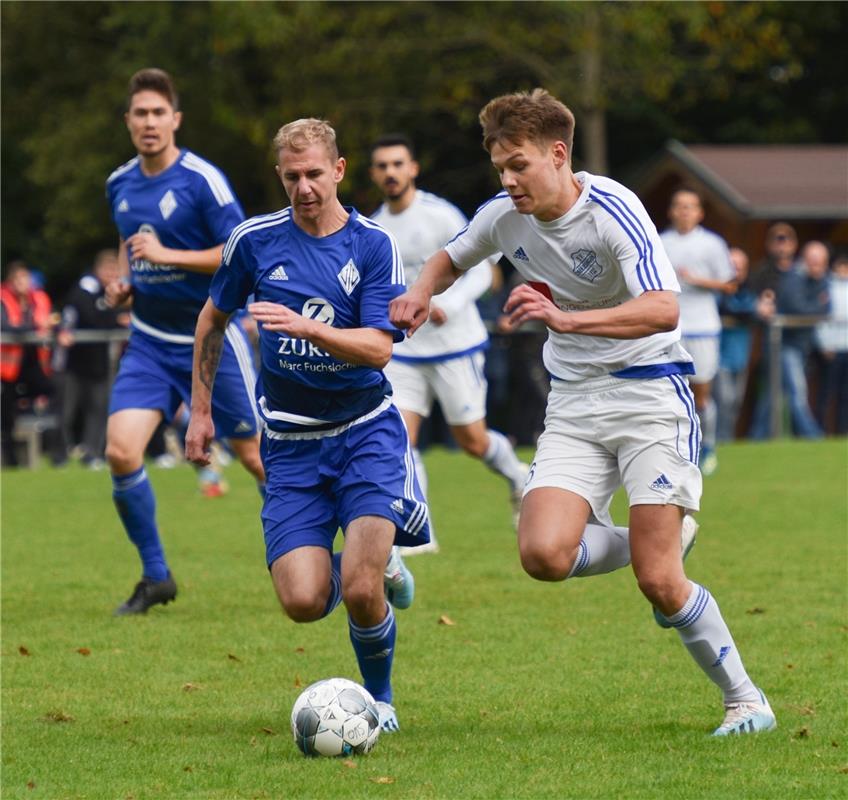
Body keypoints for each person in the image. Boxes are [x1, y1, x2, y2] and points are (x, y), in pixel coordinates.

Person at [390, 88, 775, 737]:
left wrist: (565, 319)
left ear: (559, 154)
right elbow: (448, 258)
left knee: (659, 583)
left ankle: (746, 701)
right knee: (542, 554)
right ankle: (665, 541)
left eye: (519, 165)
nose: (508, 180)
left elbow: (663, 307)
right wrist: (416, 296)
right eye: (500, 169)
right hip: (575, 403)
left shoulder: (613, 208)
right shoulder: (503, 216)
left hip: (651, 395)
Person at [186, 118, 428, 733]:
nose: (304, 187)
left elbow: (378, 349)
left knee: (361, 589)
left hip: (365, 431)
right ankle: (375, 559)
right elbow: (212, 320)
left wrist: (309, 327)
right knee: (300, 602)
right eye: (292, 176)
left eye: (315, 174)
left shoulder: (371, 244)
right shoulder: (253, 241)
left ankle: (381, 700)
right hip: (290, 446)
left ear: (339, 170)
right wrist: (203, 410)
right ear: (280, 177)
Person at [104, 68, 265, 615]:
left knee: (256, 458)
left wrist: (168, 256)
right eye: (139, 114)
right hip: (149, 341)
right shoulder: (119, 184)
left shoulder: (202, 181)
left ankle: (313, 557)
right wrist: (127, 286)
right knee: (120, 451)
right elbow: (131, 248)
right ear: (128, 122)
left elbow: (239, 252)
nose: (149, 123)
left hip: (209, 338)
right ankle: (155, 576)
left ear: (175, 119)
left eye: (158, 113)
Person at [369, 134, 529, 550]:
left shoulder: (439, 215)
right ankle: (420, 537)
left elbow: (482, 265)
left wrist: (449, 303)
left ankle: (519, 478)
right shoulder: (373, 227)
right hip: (403, 352)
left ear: (413, 169)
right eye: (383, 166)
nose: (390, 172)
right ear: (374, 174)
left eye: (397, 164)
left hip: (455, 346)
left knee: (472, 441)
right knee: (399, 441)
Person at [660, 188, 736, 475]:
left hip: (704, 327)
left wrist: (697, 280)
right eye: (679, 205)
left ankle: (709, 447)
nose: (684, 211)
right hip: (669, 327)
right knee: (667, 392)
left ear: (700, 212)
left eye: (689, 206)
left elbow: (729, 284)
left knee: (701, 392)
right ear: (671, 211)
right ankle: (675, 448)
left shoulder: (712, 244)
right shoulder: (660, 241)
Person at [749, 239, 830, 439]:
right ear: (805, 260)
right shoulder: (794, 279)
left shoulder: (820, 281)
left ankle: (755, 438)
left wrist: (817, 307)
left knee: (770, 397)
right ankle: (814, 436)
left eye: (820, 262)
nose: (816, 266)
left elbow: (826, 307)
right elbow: (800, 308)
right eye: (813, 261)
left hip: (800, 346)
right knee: (796, 392)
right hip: (783, 346)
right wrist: (817, 307)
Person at [56, 249, 128, 469]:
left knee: (98, 409)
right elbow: (92, 316)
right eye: (107, 269)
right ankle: (60, 456)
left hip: (100, 364)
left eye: (114, 270)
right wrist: (113, 316)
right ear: (97, 270)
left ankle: (93, 454)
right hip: (74, 363)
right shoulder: (85, 288)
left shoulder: (114, 292)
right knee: (66, 411)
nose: (111, 274)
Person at [715, 247, 772, 441]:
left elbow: (756, 310)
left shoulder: (748, 291)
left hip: (741, 358)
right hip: (718, 357)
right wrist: (756, 308)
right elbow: (729, 308)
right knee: (724, 400)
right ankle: (717, 442)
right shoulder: (717, 291)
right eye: (732, 267)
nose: (736, 272)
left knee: (735, 403)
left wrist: (759, 307)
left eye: (740, 268)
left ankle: (727, 442)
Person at [814, 252, 848, 434]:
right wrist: (824, 343)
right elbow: (821, 318)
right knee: (826, 393)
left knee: (845, 396)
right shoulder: (827, 287)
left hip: (847, 348)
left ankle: (843, 432)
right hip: (832, 349)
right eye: (840, 267)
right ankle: (820, 431)